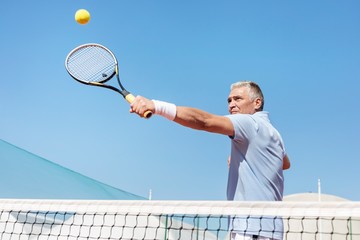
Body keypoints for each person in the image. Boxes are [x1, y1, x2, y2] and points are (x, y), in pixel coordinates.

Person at [130, 80, 290, 240]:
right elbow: (285, 163)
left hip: (251, 228)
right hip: (270, 229)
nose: (232, 104)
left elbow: (205, 121)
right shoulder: (274, 133)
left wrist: (156, 106)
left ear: (257, 103)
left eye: (238, 99)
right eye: (229, 100)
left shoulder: (249, 122)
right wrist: (249, 158)